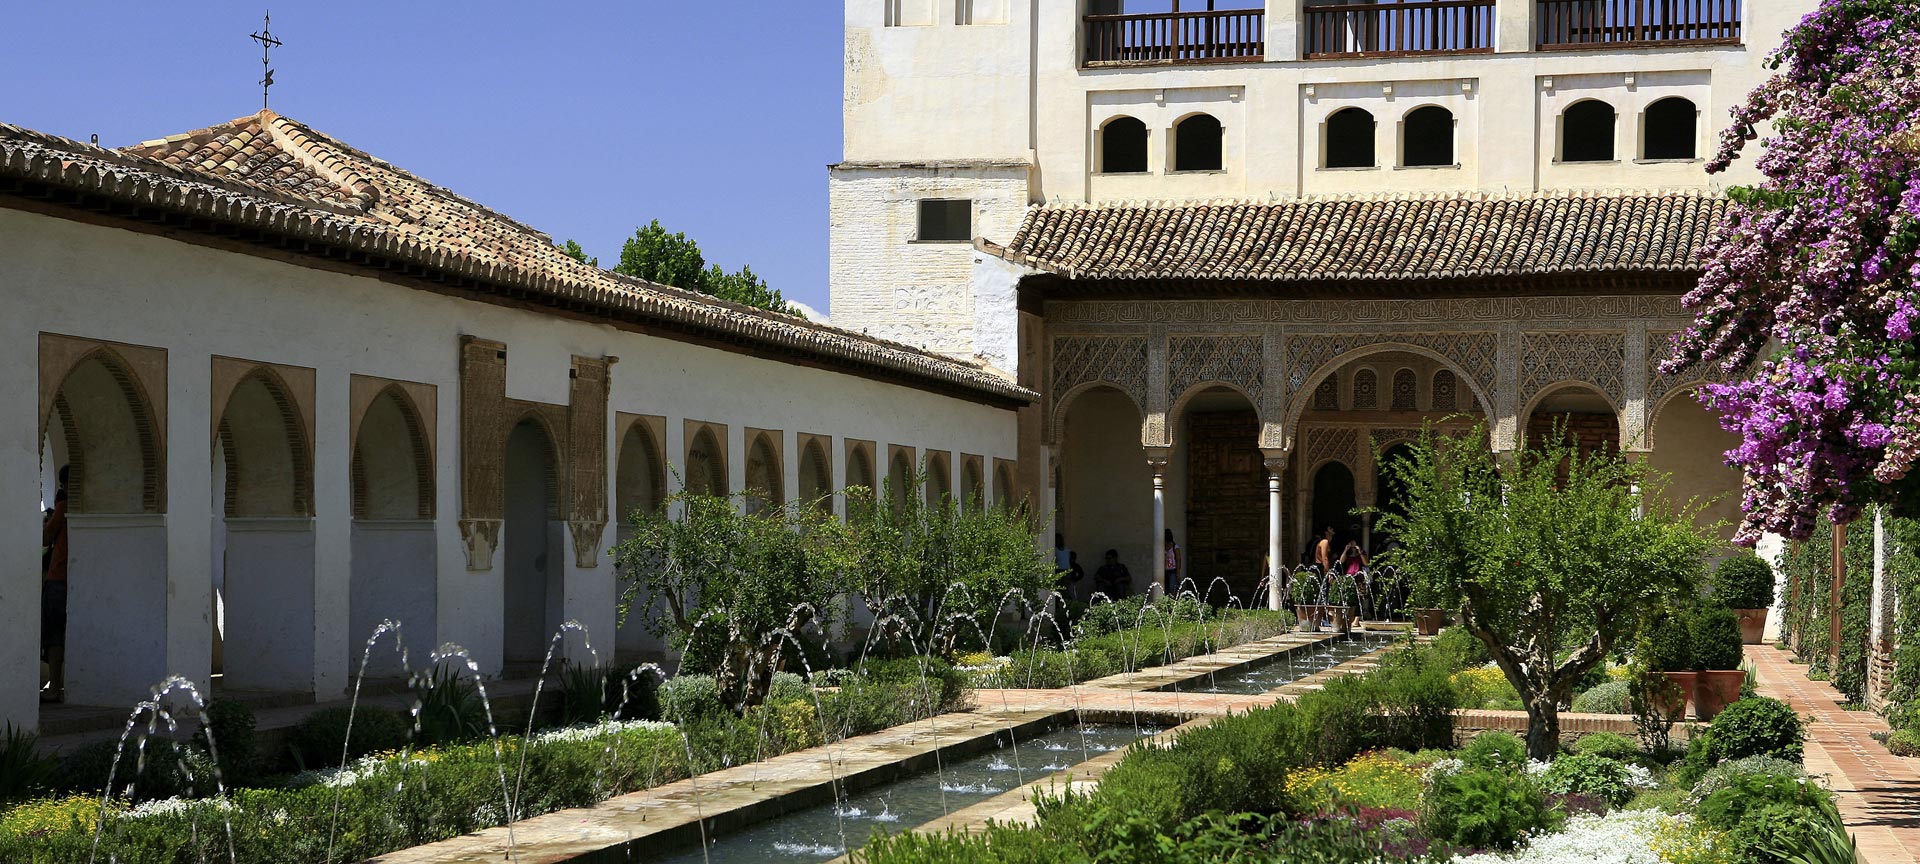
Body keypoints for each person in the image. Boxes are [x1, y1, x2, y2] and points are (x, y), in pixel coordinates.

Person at [41, 468, 69, 703]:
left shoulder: (64, 506)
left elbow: (46, 537)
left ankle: (54, 688)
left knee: (54, 636)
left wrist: (48, 520)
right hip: (77, 578)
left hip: (59, 577)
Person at [1162, 529, 1181, 595]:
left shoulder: (1175, 547)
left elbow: (1178, 559)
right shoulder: (1161, 547)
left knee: (1172, 588)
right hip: (1164, 571)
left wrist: (1178, 572)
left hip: (1172, 570)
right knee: (1164, 589)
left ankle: (1173, 603)